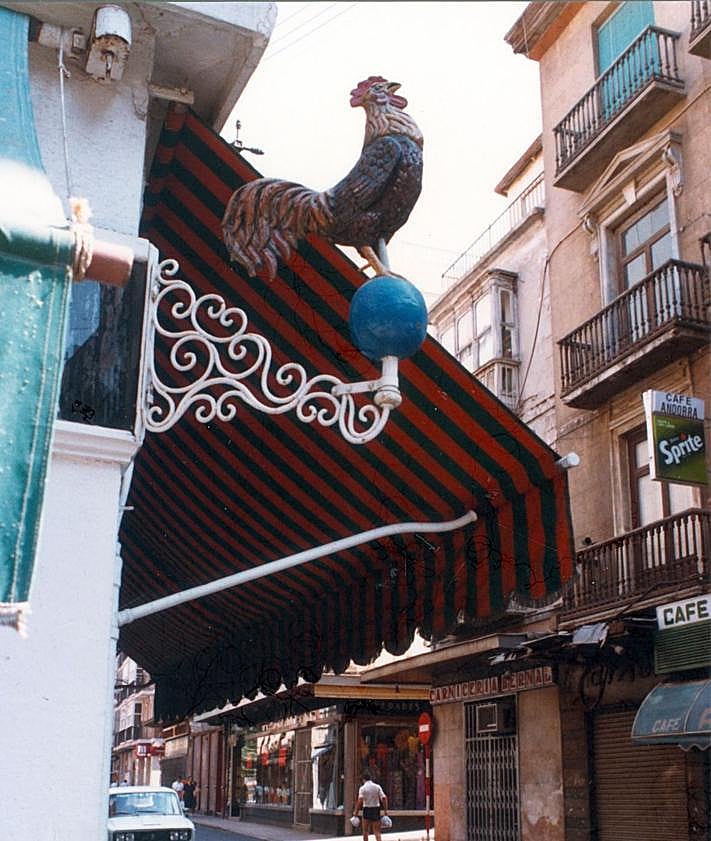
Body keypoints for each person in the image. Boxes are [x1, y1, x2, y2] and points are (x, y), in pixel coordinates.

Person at [353, 770, 388, 840]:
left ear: (363, 779)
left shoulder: (362, 788)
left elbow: (360, 800)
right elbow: (384, 798)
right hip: (376, 809)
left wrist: (356, 812)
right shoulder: (377, 787)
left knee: (365, 831)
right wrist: (385, 811)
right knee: (377, 831)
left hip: (367, 809)